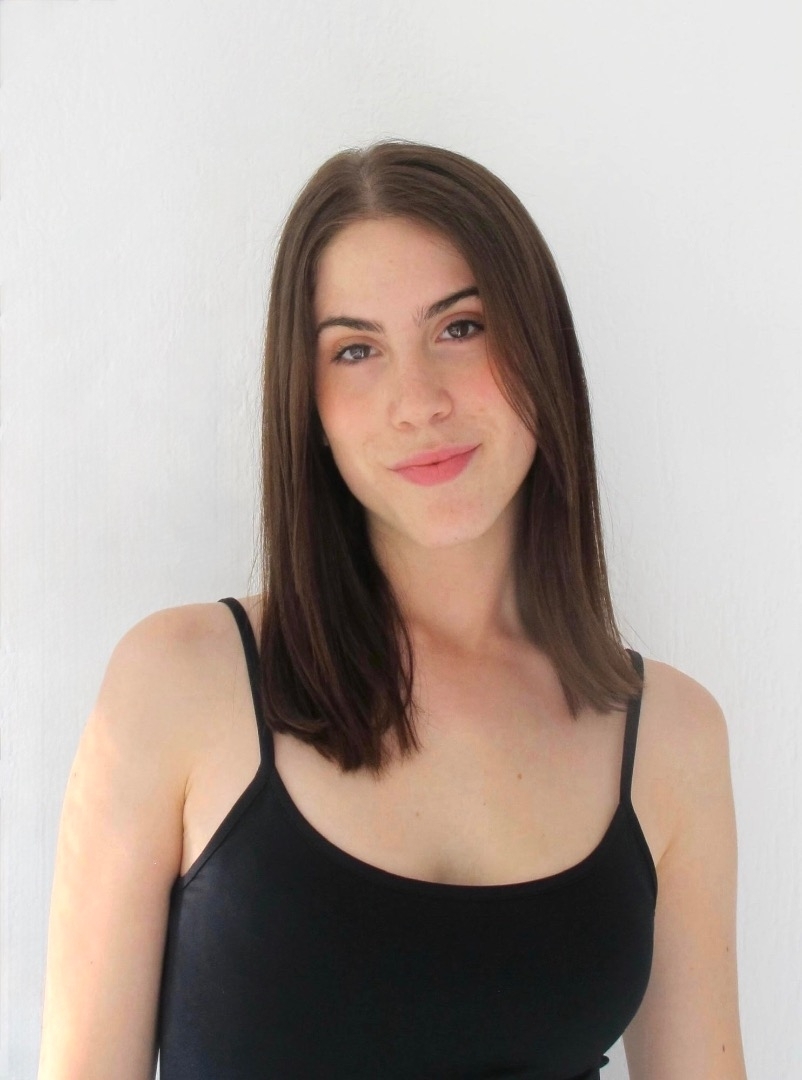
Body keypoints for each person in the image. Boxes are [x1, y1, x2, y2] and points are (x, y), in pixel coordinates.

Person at [38, 139, 747, 1079]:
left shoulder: (673, 737)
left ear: (541, 347)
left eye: (461, 328)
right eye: (357, 350)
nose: (418, 402)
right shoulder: (178, 683)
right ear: (310, 404)